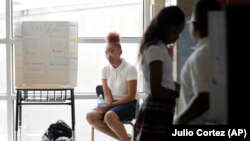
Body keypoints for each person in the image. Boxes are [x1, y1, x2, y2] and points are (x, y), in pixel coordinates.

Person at [135, 6, 185, 141]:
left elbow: (166, 81)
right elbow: (156, 89)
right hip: (157, 108)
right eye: (175, 32)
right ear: (165, 27)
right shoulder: (156, 49)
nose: (176, 37)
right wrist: (181, 93)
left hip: (162, 108)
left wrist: (183, 88)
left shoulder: (160, 48)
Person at [174, 0, 221, 124]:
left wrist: (179, 120)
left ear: (195, 25)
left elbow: (204, 97)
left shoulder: (203, 54)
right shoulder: (217, 49)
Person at [86, 32, 138, 141]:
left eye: (112, 52)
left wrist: (110, 106)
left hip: (129, 104)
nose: (109, 56)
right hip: (112, 104)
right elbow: (107, 94)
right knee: (90, 116)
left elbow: (131, 96)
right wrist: (106, 105)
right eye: (106, 53)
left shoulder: (130, 69)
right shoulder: (104, 69)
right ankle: (125, 139)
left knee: (109, 116)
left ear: (120, 52)